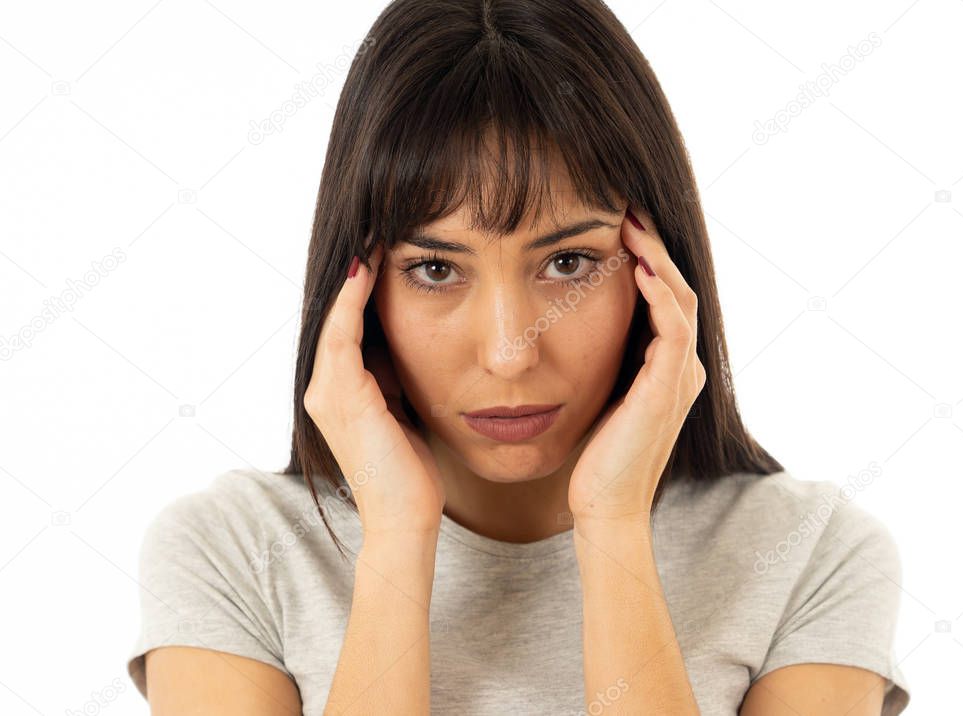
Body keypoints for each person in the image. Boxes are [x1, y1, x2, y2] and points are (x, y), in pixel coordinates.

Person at [125, 1, 912, 713]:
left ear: (657, 268)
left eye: (567, 262)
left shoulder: (809, 553)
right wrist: (395, 534)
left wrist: (611, 527)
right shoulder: (232, 552)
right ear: (357, 291)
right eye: (435, 269)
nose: (508, 353)